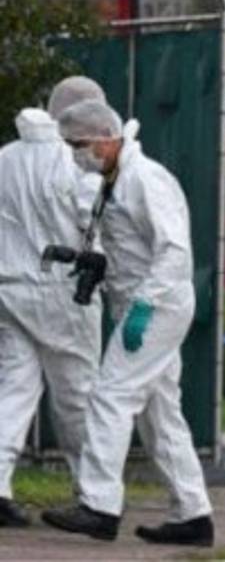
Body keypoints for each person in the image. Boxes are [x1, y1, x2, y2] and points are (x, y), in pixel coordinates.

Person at [42, 100, 214, 546]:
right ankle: (193, 514)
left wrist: (144, 307)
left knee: (110, 395)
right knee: (160, 415)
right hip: (144, 302)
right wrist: (98, 263)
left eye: (79, 145)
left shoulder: (146, 179)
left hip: (155, 306)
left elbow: (173, 251)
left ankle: (99, 505)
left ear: (105, 138)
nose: (76, 153)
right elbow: (129, 245)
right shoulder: (114, 179)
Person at [0, 76, 106, 528]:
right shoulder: (76, 163)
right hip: (66, 293)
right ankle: (94, 494)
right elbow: (94, 225)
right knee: (78, 398)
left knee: (14, 390)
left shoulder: (5, 158)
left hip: (9, 288)